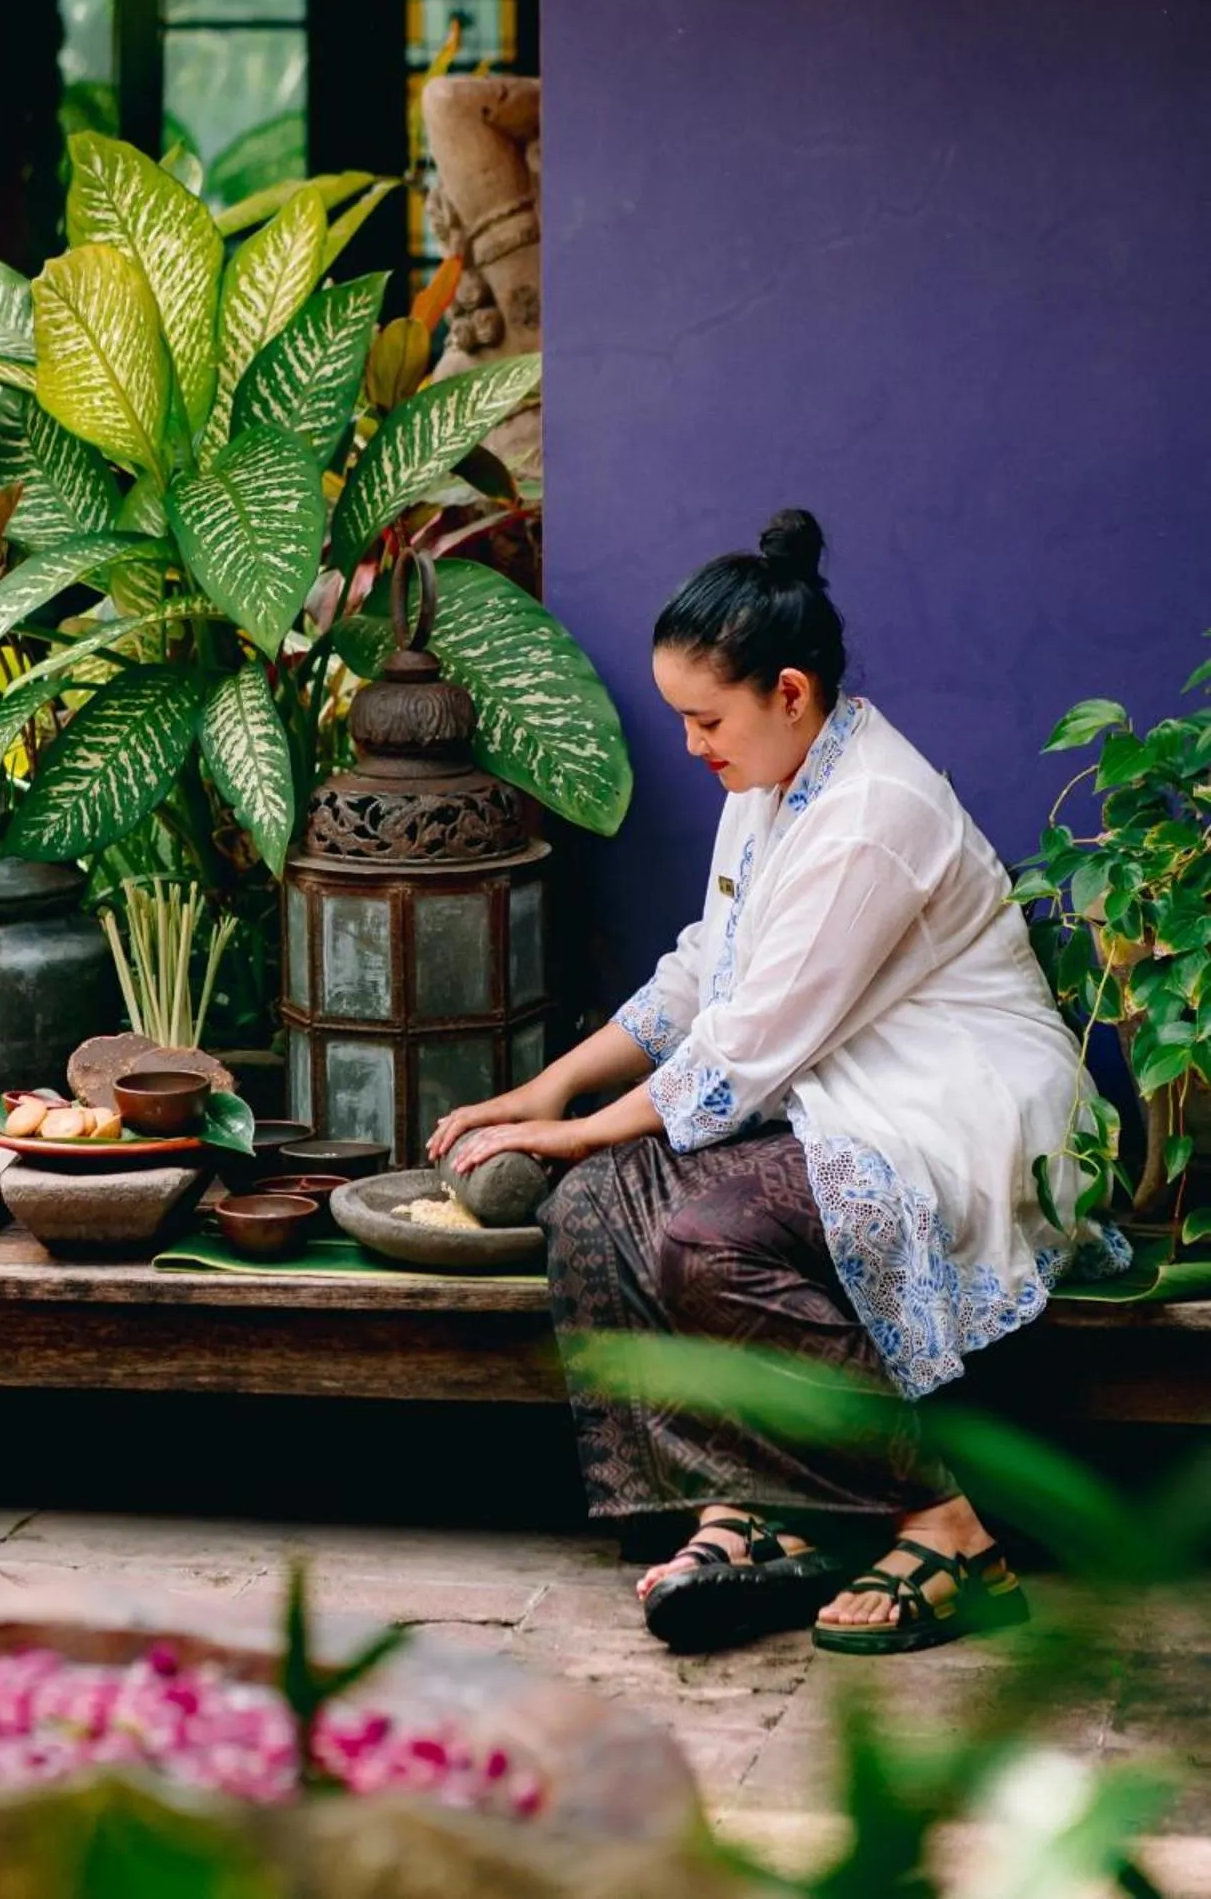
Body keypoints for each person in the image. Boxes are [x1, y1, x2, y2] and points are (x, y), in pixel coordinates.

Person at [427, 510, 1128, 1657]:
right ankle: (743, 1509)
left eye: (706, 719)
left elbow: (750, 1040)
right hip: (834, 1080)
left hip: (954, 1102)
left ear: (789, 691)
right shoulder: (770, 776)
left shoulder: (872, 815)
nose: (694, 746)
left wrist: (584, 1126)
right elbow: (709, 970)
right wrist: (550, 1094)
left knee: (702, 1237)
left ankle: (950, 1531)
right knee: (598, 1206)